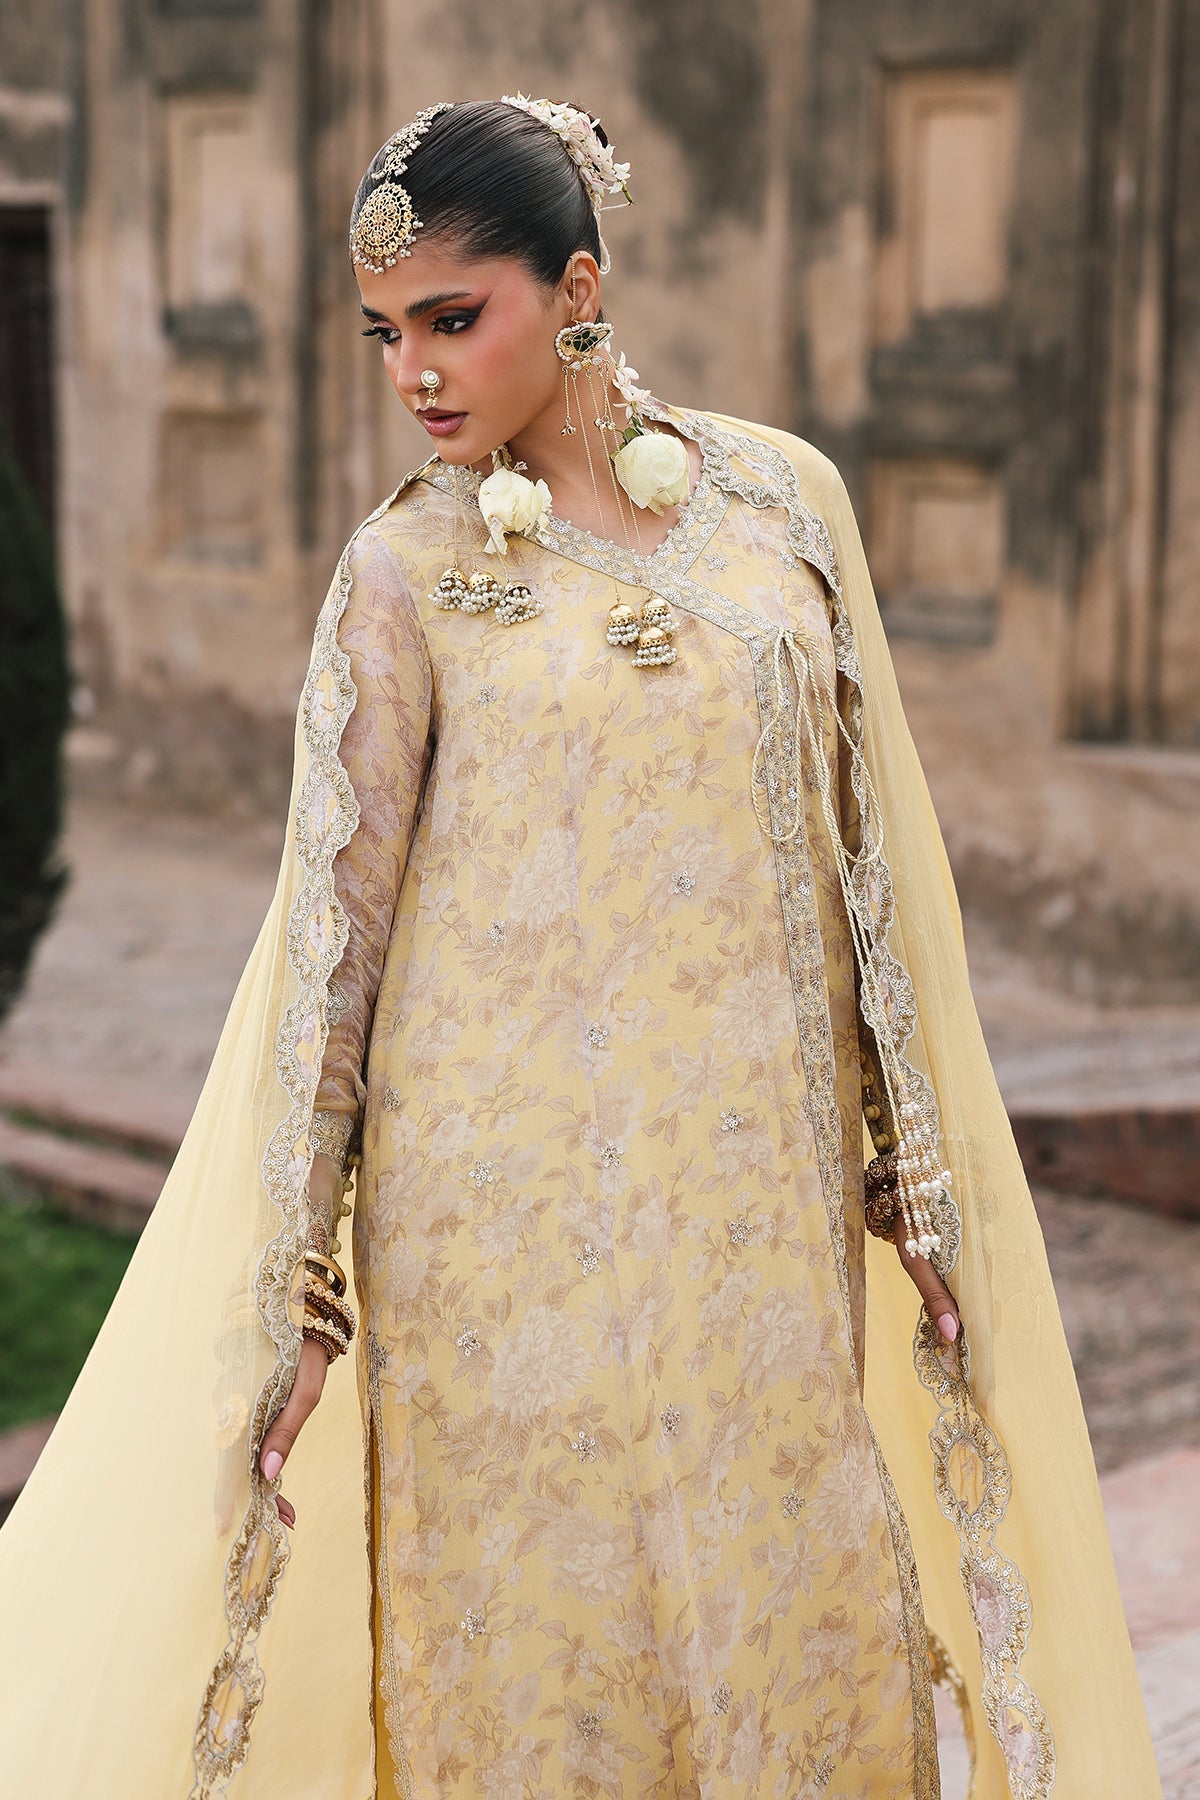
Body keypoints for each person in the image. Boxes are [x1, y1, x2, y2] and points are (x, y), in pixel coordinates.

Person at [0, 96, 1160, 1800]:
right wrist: (300, 1291)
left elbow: (865, 854)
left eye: (452, 318)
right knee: (545, 1656)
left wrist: (912, 1164)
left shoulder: (781, 505)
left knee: (791, 1608)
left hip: (749, 1195)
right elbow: (334, 945)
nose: (415, 373)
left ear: (580, 287)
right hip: (493, 1231)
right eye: (385, 335)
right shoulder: (399, 574)